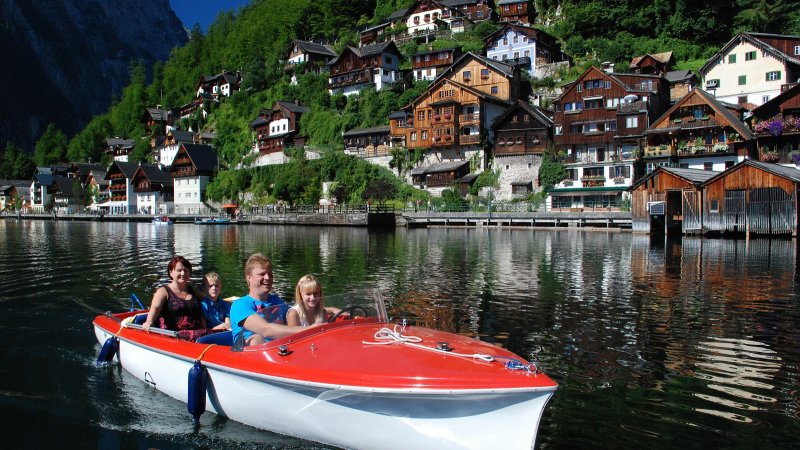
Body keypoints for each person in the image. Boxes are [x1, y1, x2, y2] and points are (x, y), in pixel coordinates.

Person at [229, 253, 313, 346]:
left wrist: (329, 311)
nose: (267, 278)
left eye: (269, 274)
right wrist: (310, 329)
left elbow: (296, 313)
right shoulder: (239, 305)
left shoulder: (276, 300)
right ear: (249, 278)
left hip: (280, 350)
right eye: (262, 274)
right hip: (249, 354)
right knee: (257, 339)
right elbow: (266, 330)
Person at [142, 256, 209, 341]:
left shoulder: (192, 289)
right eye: (179, 270)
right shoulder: (163, 292)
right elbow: (154, 310)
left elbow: (207, 300)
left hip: (199, 335)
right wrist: (148, 322)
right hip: (174, 337)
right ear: (171, 273)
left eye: (186, 270)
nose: (183, 273)